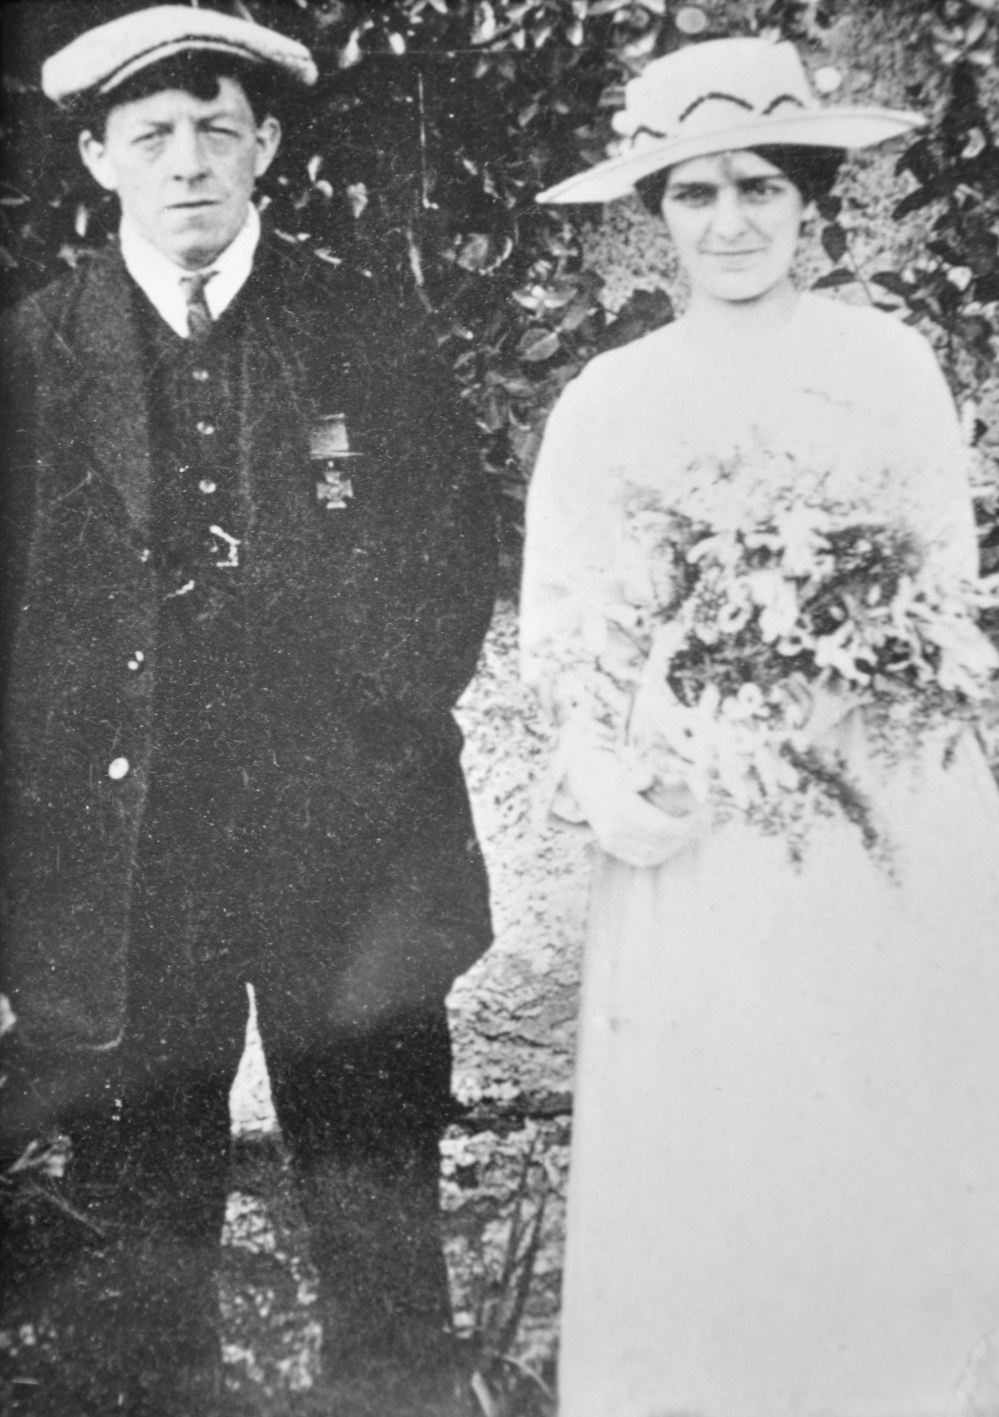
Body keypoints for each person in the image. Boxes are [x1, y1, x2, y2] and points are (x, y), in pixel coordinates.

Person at [0, 6, 496, 1415]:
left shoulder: (363, 329)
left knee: (379, 1212)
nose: (189, 164)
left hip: (347, 850)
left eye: (219, 128)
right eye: (150, 136)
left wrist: (360, 749)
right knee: (140, 1229)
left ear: (268, 141)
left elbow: (450, 560)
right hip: (124, 867)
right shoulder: (33, 356)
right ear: (98, 157)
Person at [521, 36, 999, 1417]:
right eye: (695, 195)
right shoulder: (609, 401)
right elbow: (570, 626)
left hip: (880, 808)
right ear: (655, 216)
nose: (731, 223)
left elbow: (937, 591)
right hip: (704, 825)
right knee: (719, 1131)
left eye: (761, 189)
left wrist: (827, 671)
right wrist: (610, 772)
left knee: (883, 1125)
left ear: (811, 203)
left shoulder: (889, 364)